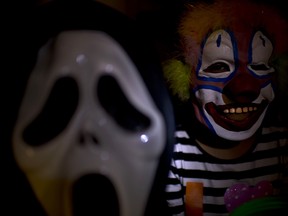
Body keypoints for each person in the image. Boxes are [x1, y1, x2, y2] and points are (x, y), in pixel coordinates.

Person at [163, 0, 288, 215]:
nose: (245, 88)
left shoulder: (282, 146)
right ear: (186, 78)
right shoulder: (174, 154)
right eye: (219, 66)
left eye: (258, 66)